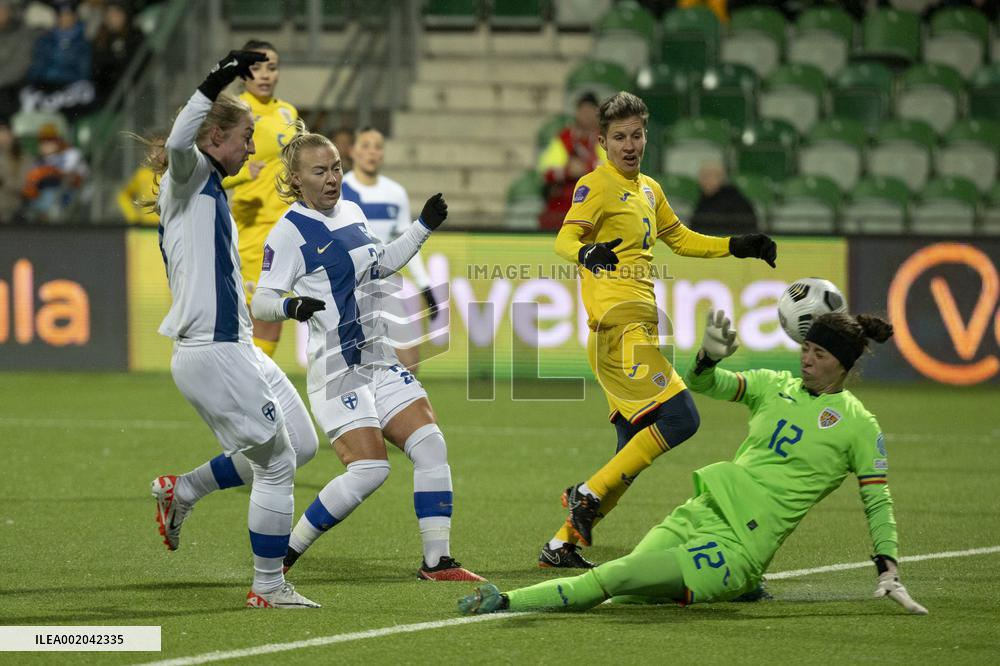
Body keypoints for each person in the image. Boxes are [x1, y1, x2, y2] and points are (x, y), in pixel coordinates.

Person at [461, 310, 929, 617]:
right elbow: (705, 385)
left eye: (819, 354)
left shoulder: (858, 426)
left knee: (613, 578)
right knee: (625, 590)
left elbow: (877, 500)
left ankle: (503, 601)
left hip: (737, 549)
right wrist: (707, 357)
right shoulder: (773, 384)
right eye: (806, 348)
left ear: (842, 365)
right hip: (700, 513)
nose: (806, 359)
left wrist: (888, 568)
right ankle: (742, 590)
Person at [539, 91, 777, 569]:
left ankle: (561, 544)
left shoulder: (649, 189)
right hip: (616, 330)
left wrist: (738, 245)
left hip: (638, 329)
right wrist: (586, 253)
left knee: (630, 454)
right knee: (682, 417)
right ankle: (584, 495)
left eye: (637, 134)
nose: (630, 145)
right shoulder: (596, 185)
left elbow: (680, 238)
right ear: (603, 142)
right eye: (620, 137)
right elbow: (565, 237)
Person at [250, 124, 484, 582]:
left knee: (432, 446)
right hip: (337, 370)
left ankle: (438, 561)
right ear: (296, 179)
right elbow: (262, 300)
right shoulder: (288, 233)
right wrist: (290, 305)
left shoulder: (352, 210)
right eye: (320, 171)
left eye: (336, 167)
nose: (333, 178)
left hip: (380, 360)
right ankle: (286, 552)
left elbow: (379, 263)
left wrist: (422, 227)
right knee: (370, 470)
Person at [147, 49, 319, 609]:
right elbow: (177, 143)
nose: (252, 146)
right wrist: (219, 74)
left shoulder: (211, 190)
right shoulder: (189, 175)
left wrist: (284, 309)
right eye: (245, 135)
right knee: (276, 462)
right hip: (211, 351)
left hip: (236, 345)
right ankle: (268, 585)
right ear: (212, 135)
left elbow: (220, 282)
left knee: (303, 444)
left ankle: (185, 489)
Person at [222, 39, 299, 359]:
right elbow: (208, 166)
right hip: (252, 229)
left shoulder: (288, 111)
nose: (265, 74)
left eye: (272, 67)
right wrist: (242, 174)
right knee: (258, 315)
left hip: (287, 226)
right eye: (256, 68)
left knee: (274, 319)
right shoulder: (233, 110)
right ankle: (246, 387)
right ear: (243, 73)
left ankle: (256, 387)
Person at [342, 126, 437, 373]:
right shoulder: (339, 190)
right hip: (348, 287)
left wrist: (425, 286)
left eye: (377, 146)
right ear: (352, 151)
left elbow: (408, 241)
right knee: (349, 366)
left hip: (384, 284)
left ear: (383, 154)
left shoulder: (396, 193)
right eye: (365, 145)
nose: (372, 152)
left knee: (410, 362)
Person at [537, 91, 604, 230]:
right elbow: (546, 171)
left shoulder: (605, 139)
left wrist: (586, 168)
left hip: (594, 204)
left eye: (590, 111)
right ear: (576, 112)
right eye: (583, 110)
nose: (586, 115)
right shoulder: (565, 138)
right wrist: (567, 170)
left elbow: (611, 172)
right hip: (563, 205)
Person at [20, 122, 88, 223]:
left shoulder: (71, 153)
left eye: (51, 140)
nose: (47, 144)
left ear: (59, 140)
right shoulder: (39, 160)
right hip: (47, 195)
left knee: (49, 193)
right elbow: (30, 184)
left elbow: (72, 177)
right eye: (43, 141)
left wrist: (47, 172)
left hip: (76, 194)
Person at [90, 1, 145, 105]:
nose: (112, 17)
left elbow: (139, 65)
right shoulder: (100, 38)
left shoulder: (136, 36)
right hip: (109, 96)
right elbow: (97, 71)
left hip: (136, 92)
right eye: (109, 13)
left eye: (116, 13)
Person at [688, 158, 758, 235]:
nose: (705, 180)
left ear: (721, 178)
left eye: (709, 176)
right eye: (703, 176)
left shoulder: (733, 199)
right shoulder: (703, 199)